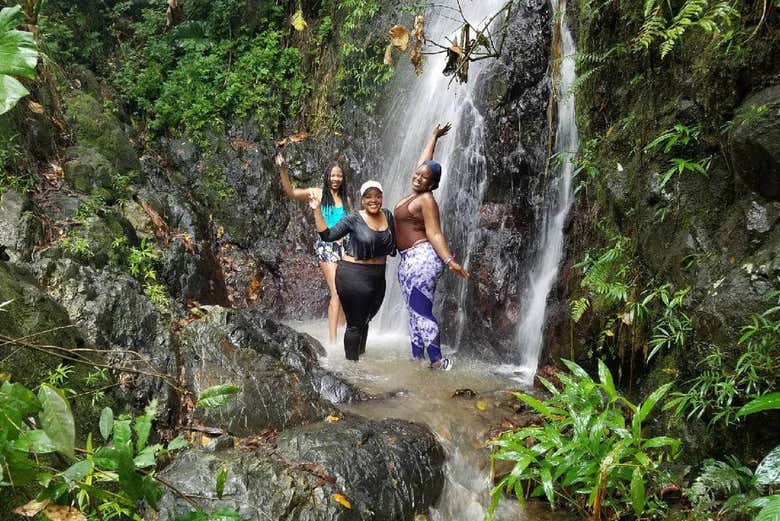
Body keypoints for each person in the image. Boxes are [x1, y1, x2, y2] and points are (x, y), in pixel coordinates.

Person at [394, 123, 468, 370]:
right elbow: (425, 162)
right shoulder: (416, 191)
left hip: (422, 258)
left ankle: (438, 362)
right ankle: (417, 359)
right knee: (413, 313)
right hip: (408, 260)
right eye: (417, 174)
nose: (417, 178)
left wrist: (449, 260)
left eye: (424, 178)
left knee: (421, 311)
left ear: (431, 184)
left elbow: (435, 233)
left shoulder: (426, 200)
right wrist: (433, 136)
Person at [310, 181, 396, 361]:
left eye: (377, 196)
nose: (374, 200)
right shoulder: (354, 218)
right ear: (362, 199)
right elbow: (328, 236)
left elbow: (395, 244)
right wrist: (316, 210)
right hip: (353, 276)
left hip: (378, 278)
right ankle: (351, 367)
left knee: (365, 320)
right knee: (355, 324)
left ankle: (360, 358)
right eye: (369, 196)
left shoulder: (388, 215)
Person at [274, 152, 350, 345]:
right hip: (326, 246)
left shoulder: (346, 200)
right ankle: (333, 343)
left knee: (346, 292)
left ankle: (341, 333)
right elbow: (290, 192)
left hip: (345, 247)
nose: (336, 179)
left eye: (339, 175)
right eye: (332, 175)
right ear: (327, 176)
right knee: (337, 291)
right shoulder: (317, 192)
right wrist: (283, 169)